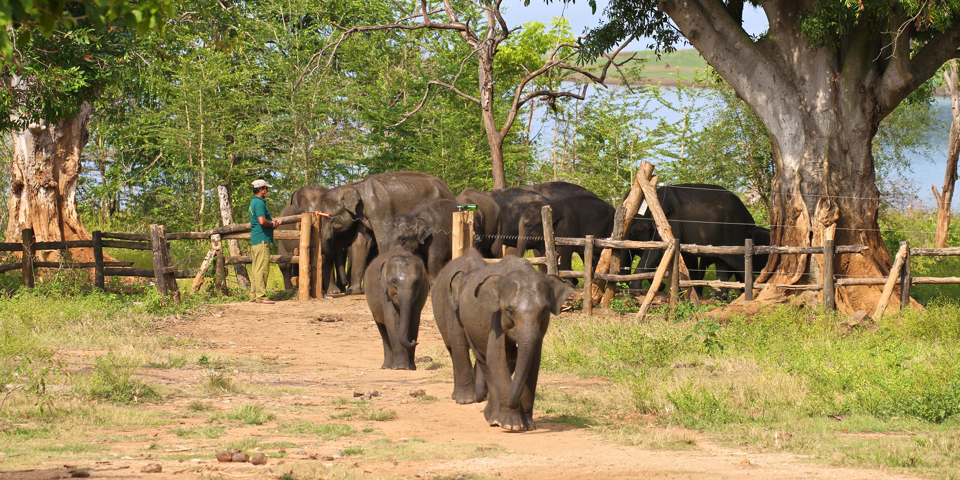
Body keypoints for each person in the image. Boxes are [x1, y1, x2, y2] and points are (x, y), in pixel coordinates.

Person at [249, 179, 282, 304]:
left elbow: (260, 219)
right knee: (263, 268)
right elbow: (262, 221)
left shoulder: (254, 202)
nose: (268, 191)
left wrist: (271, 220)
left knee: (256, 268)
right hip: (262, 239)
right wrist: (273, 224)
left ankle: (254, 295)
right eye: (267, 189)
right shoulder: (259, 203)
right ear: (262, 189)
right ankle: (261, 296)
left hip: (256, 239)